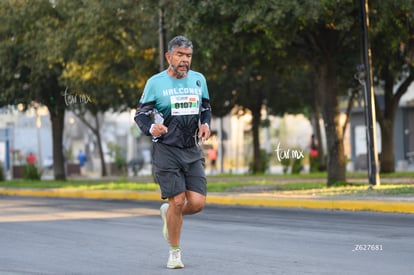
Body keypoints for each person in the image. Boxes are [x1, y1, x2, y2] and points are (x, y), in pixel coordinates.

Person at [134, 35, 211, 269]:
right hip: (166, 148)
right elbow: (140, 115)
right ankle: (175, 253)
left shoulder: (199, 80)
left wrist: (205, 124)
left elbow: (205, 107)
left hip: (191, 148)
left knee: (196, 203)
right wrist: (150, 127)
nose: (184, 60)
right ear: (169, 57)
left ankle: (168, 213)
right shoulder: (155, 83)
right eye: (179, 55)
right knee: (178, 200)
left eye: (188, 56)